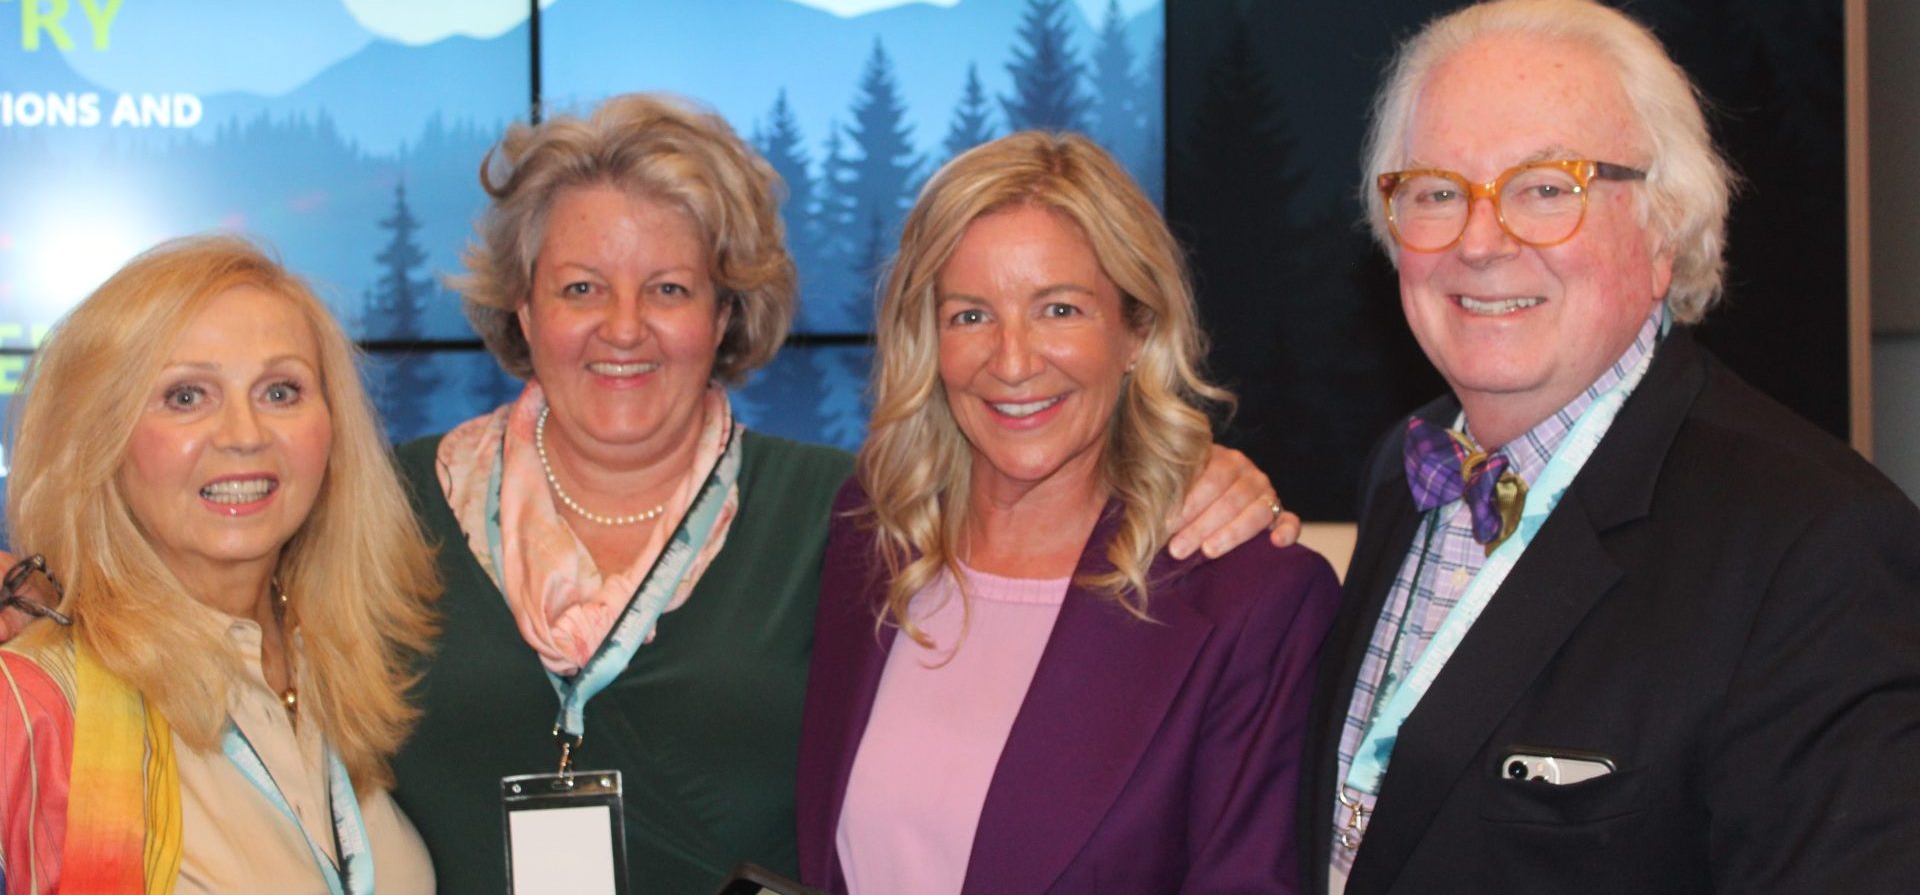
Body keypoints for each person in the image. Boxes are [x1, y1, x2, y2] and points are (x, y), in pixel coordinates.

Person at [387, 93, 1298, 894]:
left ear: (725, 312)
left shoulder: (836, 518)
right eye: (581, 287)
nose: (624, 328)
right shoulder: (391, 512)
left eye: (669, 288)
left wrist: (1200, 474)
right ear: (521, 305)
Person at [1298, 0, 1920, 895]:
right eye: (1437, 192)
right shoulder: (1407, 468)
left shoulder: (1816, 545)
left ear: (1665, 227)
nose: (1480, 240)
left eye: (1546, 190)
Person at [795, 131, 1340, 894]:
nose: (1013, 362)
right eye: (970, 315)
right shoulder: (874, 535)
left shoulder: (1253, 599)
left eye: (1058, 309)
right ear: (930, 338)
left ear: (1136, 331)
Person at [0, 236, 438, 893]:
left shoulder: (345, 657)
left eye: (281, 391)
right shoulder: (36, 699)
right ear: (100, 435)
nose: (244, 433)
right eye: (186, 397)